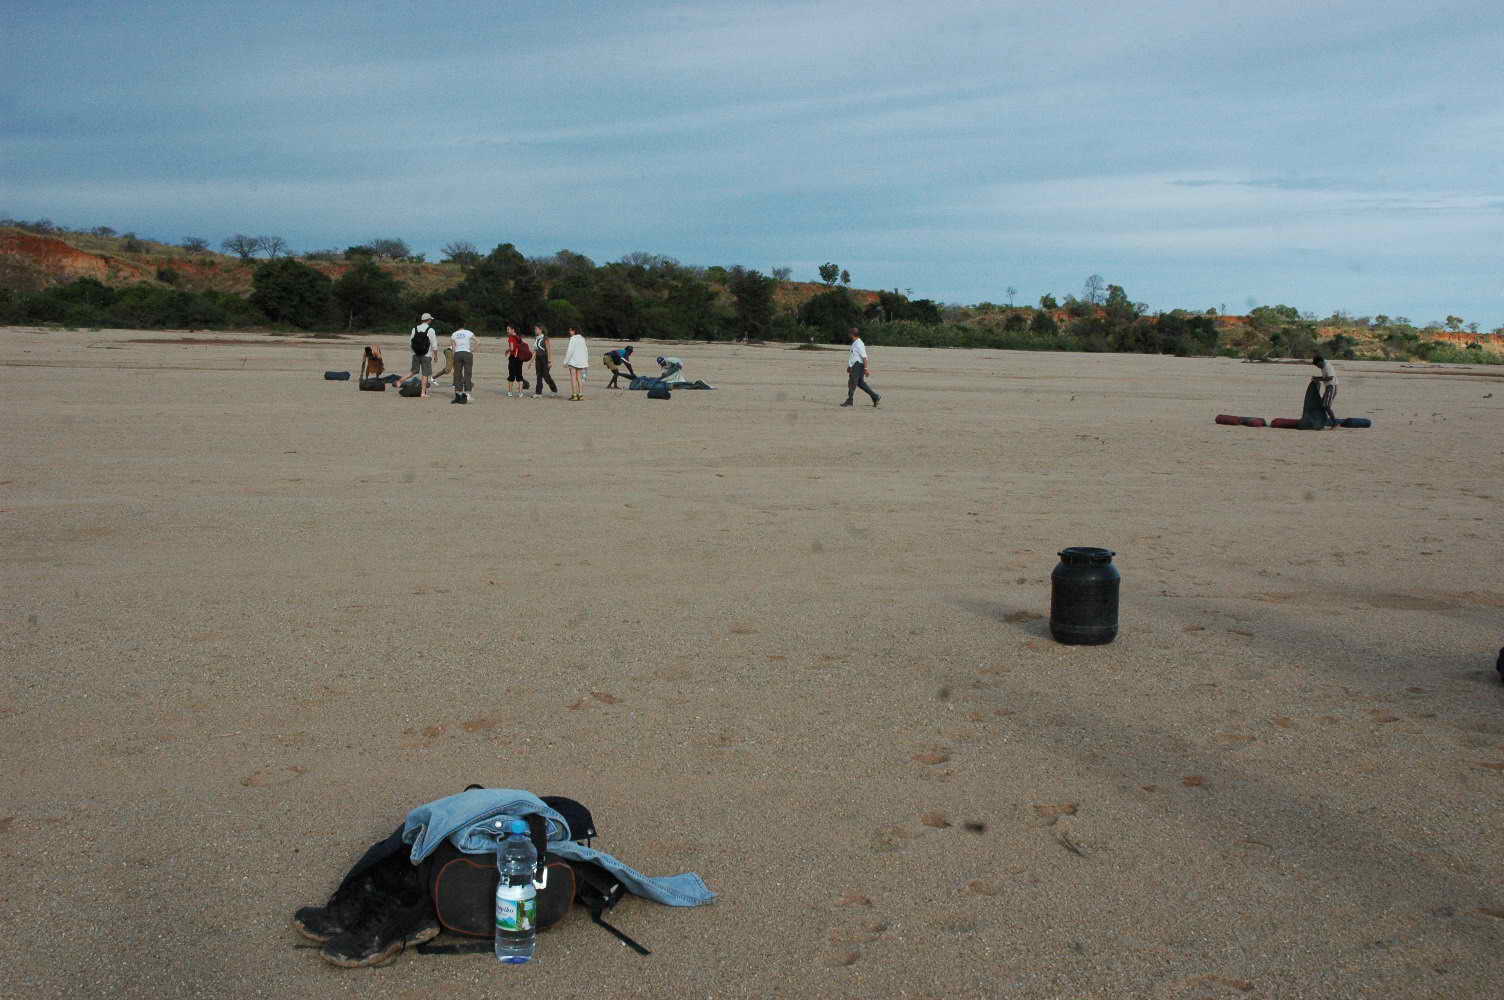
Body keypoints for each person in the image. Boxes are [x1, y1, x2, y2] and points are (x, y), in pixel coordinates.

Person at [841, 327, 880, 407]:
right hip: (856, 365)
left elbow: (865, 357)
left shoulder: (859, 344)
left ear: (852, 334)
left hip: (858, 366)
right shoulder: (855, 342)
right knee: (860, 383)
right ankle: (875, 396)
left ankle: (850, 400)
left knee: (852, 383)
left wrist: (866, 369)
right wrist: (850, 366)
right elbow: (854, 356)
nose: (848, 335)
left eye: (849, 333)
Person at [406, 312, 440, 398]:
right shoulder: (431, 330)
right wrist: (435, 356)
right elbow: (434, 344)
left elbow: (410, 342)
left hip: (416, 354)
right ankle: (423, 393)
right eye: (430, 320)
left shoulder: (414, 329)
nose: (431, 321)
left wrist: (414, 352)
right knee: (425, 374)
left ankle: (400, 381)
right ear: (428, 320)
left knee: (414, 371)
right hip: (426, 355)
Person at [450, 321, 475, 399]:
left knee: (457, 374)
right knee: (468, 374)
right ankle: (467, 394)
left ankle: (458, 393)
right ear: (464, 326)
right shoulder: (469, 332)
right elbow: (478, 342)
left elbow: (453, 347)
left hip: (457, 354)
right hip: (467, 353)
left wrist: (453, 357)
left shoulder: (454, 334)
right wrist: (472, 350)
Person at [1311, 353, 1337, 427]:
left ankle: (1335, 423)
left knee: (1326, 406)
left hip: (1332, 387)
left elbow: (1330, 378)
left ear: (1320, 362)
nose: (1318, 367)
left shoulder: (1327, 366)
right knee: (1322, 405)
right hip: (1328, 387)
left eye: (1318, 365)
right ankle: (1324, 421)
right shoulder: (1323, 365)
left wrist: (1318, 379)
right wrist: (1317, 378)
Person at [532, 325, 558, 397]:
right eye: (535, 329)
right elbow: (535, 351)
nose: (535, 330)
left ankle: (554, 390)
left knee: (546, 375)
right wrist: (531, 361)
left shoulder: (545, 338)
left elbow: (548, 350)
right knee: (539, 375)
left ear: (540, 330)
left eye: (536, 329)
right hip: (538, 359)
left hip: (545, 358)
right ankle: (538, 393)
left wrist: (549, 361)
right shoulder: (536, 338)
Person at [564, 328, 588, 400]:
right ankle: (580, 394)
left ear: (574, 331)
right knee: (579, 378)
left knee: (573, 378)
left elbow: (570, 351)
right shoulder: (582, 339)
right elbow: (585, 350)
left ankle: (574, 395)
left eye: (570, 330)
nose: (569, 332)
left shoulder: (572, 338)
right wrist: (585, 361)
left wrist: (565, 361)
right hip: (581, 361)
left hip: (573, 361)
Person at [505, 326, 529, 398]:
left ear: (513, 330)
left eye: (508, 329)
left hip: (513, 358)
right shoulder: (518, 337)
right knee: (519, 375)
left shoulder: (511, 337)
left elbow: (512, 348)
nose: (507, 331)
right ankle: (520, 393)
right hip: (520, 358)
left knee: (511, 375)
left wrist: (507, 350)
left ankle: (510, 392)